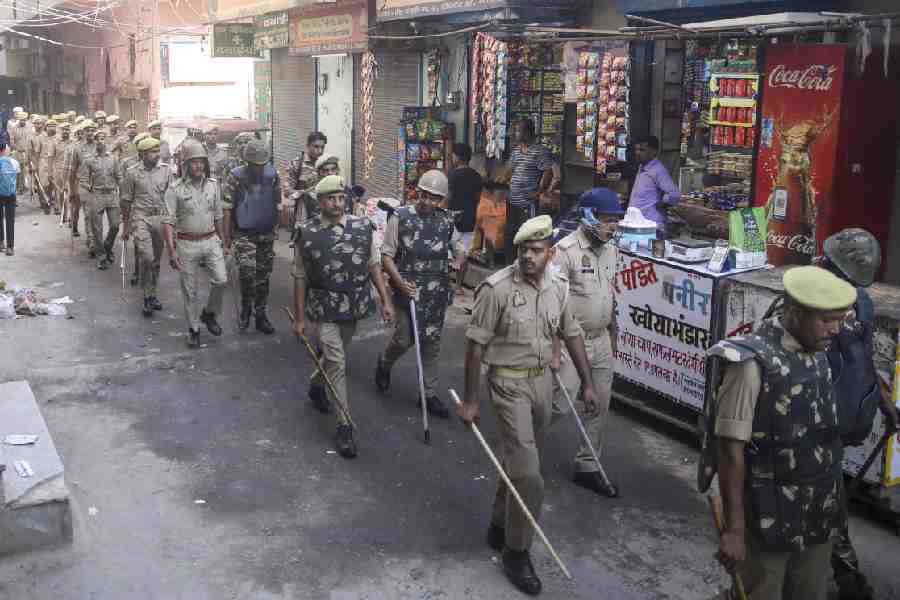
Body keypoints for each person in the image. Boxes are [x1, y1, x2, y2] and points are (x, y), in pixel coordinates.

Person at [458, 214, 599, 596]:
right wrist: (471, 400)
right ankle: (516, 552)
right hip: (506, 383)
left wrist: (587, 383)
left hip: (541, 382)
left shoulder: (558, 286)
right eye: (523, 250)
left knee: (516, 463)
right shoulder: (497, 288)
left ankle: (499, 524)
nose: (528, 257)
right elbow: (475, 347)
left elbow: (570, 332)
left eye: (537, 250)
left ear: (550, 253)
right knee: (531, 475)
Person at [711, 266, 857, 600]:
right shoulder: (751, 364)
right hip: (767, 523)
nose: (835, 330)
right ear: (794, 311)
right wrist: (734, 530)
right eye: (826, 320)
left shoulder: (818, 352)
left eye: (839, 320)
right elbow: (730, 451)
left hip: (817, 518)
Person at [813, 228, 899, 600]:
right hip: (814, 425)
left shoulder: (862, 303)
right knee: (829, 498)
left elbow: (863, 359)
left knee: (826, 496)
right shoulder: (804, 306)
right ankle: (848, 579)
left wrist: (885, 403)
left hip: (849, 417)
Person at [292, 174, 394, 458]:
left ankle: (316, 385)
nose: (337, 204)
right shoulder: (306, 232)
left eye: (341, 198)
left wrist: (385, 301)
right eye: (331, 199)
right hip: (323, 304)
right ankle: (344, 426)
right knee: (337, 360)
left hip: (354, 303)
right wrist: (300, 319)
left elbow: (374, 266)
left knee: (332, 358)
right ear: (319, 201)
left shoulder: (362, 228)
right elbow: (299, 277)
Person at [550, 188, 623, 498]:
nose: (613, 227)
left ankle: (588, 466)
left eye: (615, 221)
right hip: (569, 342)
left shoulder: (611, 251)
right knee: (558, 404)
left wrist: (614, 331)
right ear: (589, 216)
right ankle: (521, 439)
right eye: (608, 221)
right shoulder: (564, 252)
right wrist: (554, 348)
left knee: (599, 405)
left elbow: (610, 294)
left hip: (601, 340)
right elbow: (552, 302)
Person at [374, 169, 462, 419]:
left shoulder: (447, 220)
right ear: (417, 192)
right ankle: (384, 363)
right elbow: (387, 255)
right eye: (423, 195)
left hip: (436, 292)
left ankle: (429, 393)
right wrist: (400, 283)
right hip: (407, 290)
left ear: (441, 200)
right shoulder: (400, 217)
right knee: (403, 339)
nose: (427, 202)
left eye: (434, 198)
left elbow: (458, 248)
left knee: (431, 343)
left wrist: (458, 261)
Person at [163, 140, 227, 349]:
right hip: (186, 243)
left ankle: (209, 314)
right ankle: (194, 329)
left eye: (201, 162)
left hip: (211, 240)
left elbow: (218, 215)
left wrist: (223, 240)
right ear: (185, 165)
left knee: (221, 280)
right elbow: (168, 222)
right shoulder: (175, 189)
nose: (198, 166)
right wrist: (172, 251)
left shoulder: (213, 185)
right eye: (193, 162)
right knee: (190, 290)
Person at [222, 141, 281, 334]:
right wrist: (227, 238)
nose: (259, 167)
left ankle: (261, 314)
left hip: (266, 232)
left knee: (263, 276)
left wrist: (276, 226)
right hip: (243, 232)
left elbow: (277, 203)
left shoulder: (273, 176)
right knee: (247, 273)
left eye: (262, 163)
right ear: (247, 161)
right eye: (255, 163)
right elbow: (227, 208)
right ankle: (246, 309)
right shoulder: (235, 176)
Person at [121, 136, 175, 317]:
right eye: (152, 152)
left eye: (157, 151)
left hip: (159, 217)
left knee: (157, 260)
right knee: (147, 257)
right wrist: (126, 225)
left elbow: (172, 197)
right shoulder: (132, 172)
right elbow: (126, 200)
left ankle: (152, 294)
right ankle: (146, 296)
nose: (156, 155)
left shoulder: (166, 171)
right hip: (140, 218)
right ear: (142, 154)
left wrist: (173, 221)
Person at [507, 118, 554, 265]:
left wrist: (538, 192)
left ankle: (524, 264)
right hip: (512, 200)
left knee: (526, 234)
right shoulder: (516, 151)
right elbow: (511, 170)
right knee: (511, 233)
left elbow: (548, 172)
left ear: (527, 133)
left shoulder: (539, 151)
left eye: (518, 130)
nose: (516, 133)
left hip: (527, 203)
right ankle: (511, 264)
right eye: (515, 130)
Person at [85, 130, 122, 270]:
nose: (100, 141)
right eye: (98, 139)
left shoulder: (113, 159)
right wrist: (88, 193)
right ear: (95, 142)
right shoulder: (89, 160)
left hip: (112, 194)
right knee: (97, 228)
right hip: (97, 194)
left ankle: (108, 245)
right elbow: (83, 179)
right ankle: (101, 256)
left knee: (115, 225)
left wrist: (123, 195)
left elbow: (119, 176)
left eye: (103, 138)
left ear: (106, 141)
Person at [629, 135, 680, 231]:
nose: (637, 153)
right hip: (637, 224)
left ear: (653, 152)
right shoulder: (641, 168)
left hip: (651, 226)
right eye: (636, 150)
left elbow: (675, 194)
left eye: (642, 150)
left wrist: (662, 203)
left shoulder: (658, 170)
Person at [121, 132, 150, 286]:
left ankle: (150, 276)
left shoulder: (157, 165)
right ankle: (138, 271)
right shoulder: (127, 164)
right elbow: (124, 191)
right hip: (136, 210)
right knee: (139, 244)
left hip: (154, 211)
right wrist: (125, 220)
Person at [66, 119, 98, 249]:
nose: (90, 133)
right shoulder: (77, 149)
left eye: (92, 130)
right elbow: (72, 170)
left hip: (98, 185)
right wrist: (71, 189)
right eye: (87, 130)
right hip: (83, 184)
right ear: (83, 132)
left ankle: (96, 237)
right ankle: (91, 239)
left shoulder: (99, 146)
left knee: (96, 214)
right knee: (87, 212)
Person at [470, 166, 510, 268]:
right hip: (497, 232)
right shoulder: (499, 202)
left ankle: (488, 258)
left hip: (493, 234)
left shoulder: (486, 202)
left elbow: (479, 218)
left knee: (487, 226)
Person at [448, 143, 483, 254]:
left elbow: (448, 196)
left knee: (452, 252)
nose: (452, 158)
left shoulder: (453, 175)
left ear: (457, 157)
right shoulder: (476, 175)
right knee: (464, 253)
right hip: (470, 218)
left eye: (453, 155)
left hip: (454, 218)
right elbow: (478, 198)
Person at [37, 118, 61, 214]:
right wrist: (36, 165)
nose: (51, 128)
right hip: (43, 162)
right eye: (49, 126)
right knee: (45, 185)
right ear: (45, 127)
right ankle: (46, 204)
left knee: (56, 186)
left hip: (55, 162)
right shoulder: (41, 138)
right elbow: (37, 152)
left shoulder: (59, 138)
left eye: (53, 126)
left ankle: (57, 206)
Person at [0, 142, 20, 256]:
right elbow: (17, 177)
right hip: (11, 194)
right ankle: (10, 247)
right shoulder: (15, 162)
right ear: (5, 150)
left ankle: (1, 242)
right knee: (10, 220)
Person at [53, 122, 72, 221]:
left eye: (67, 129)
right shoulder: (55, 142)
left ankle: (69, 214)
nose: (65, 131)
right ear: (60, 131)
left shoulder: (73, 141)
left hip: (70, 170)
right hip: (59, 170)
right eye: (63, 129)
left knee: (70, 191)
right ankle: (62, 212)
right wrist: (51, 172)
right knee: (60, 192)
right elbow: (51, 157)